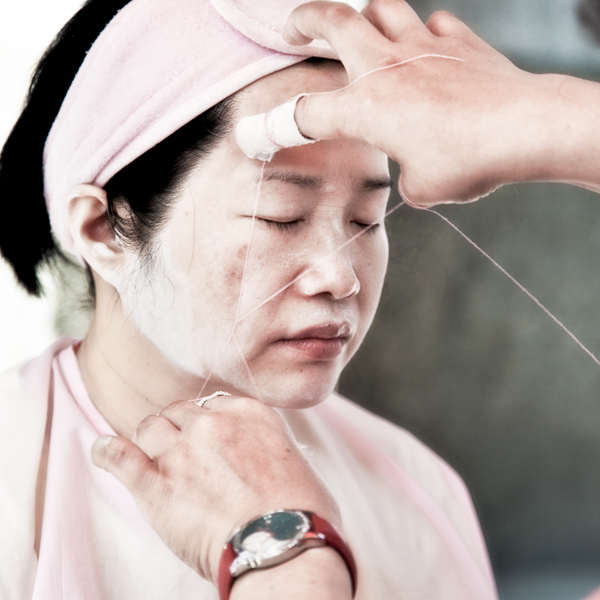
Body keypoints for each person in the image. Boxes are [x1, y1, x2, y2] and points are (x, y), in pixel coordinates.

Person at [0, 1, 498, 599]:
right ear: (103, 229)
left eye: (366, 218)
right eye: (281, 215)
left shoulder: (417, 489)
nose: (340, 276)